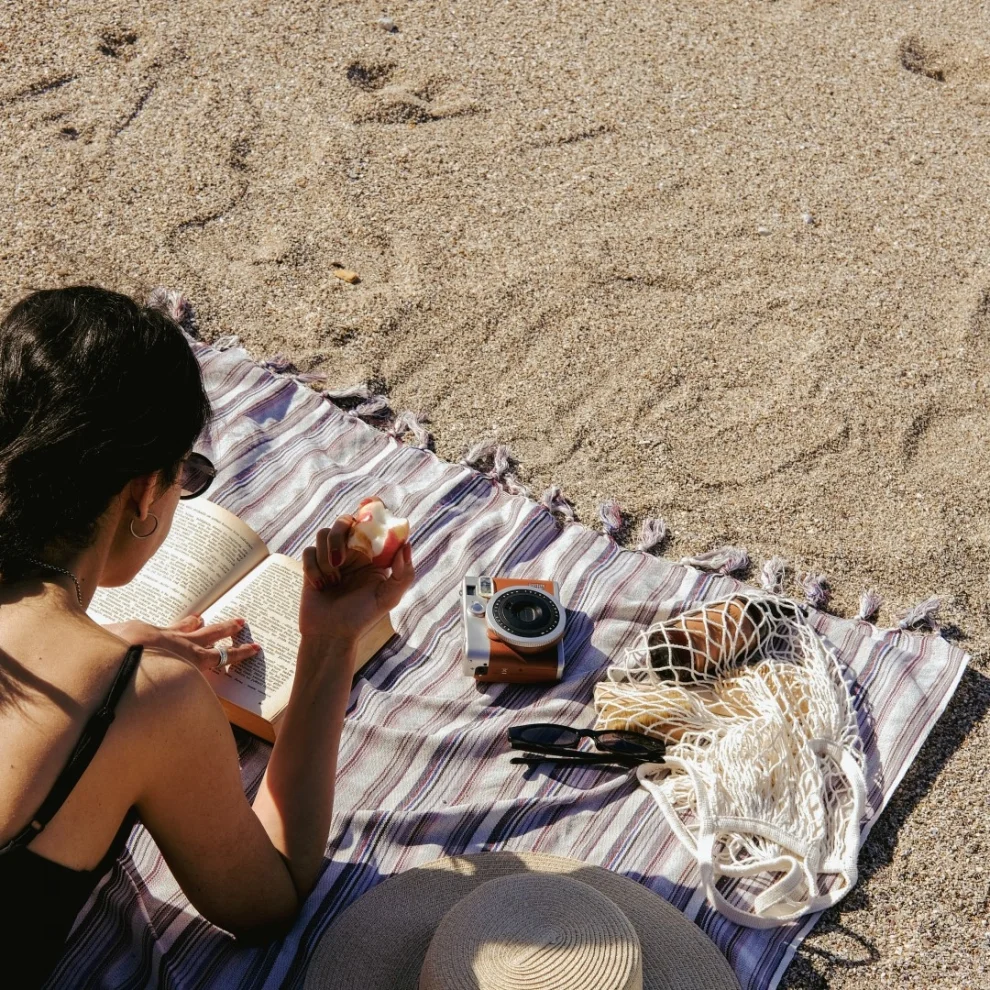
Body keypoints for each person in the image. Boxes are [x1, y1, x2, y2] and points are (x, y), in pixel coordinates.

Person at [0, 286, 415, 988]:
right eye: (184, 477)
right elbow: (267, 898)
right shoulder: (140, 698)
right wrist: (327, 645)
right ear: (142, 496)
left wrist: (119, 643)